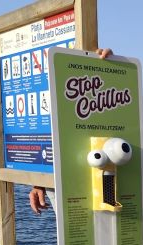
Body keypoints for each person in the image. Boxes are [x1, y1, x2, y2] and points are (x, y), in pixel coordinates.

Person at [29, 48, 114, 214]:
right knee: (74, 237)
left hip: (100, 182)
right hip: (65, 187)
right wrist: (39, 182)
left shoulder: (96, 103)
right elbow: (52, 138)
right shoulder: (53, 103)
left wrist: (112, 67)